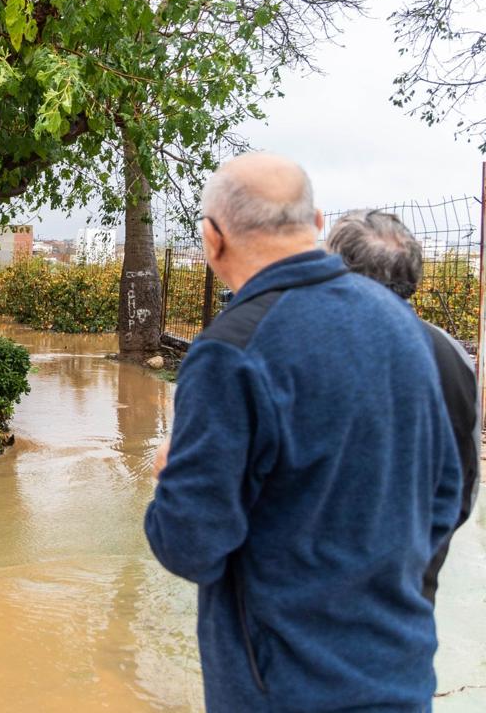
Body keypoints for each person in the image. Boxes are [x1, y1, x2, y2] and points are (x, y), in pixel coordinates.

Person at [144, 153, 461, 712]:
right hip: (400, 672)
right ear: (317, 225)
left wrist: (173, 477)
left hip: (284, 688)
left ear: (211, 240)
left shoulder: (231, 351)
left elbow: (190, 546)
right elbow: (445, 495)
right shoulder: (405, 328)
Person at [328, 208, 480, 603]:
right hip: (410, 587)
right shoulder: (453, 356)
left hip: (318, 599)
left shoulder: (314, 348)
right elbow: (466, 484)